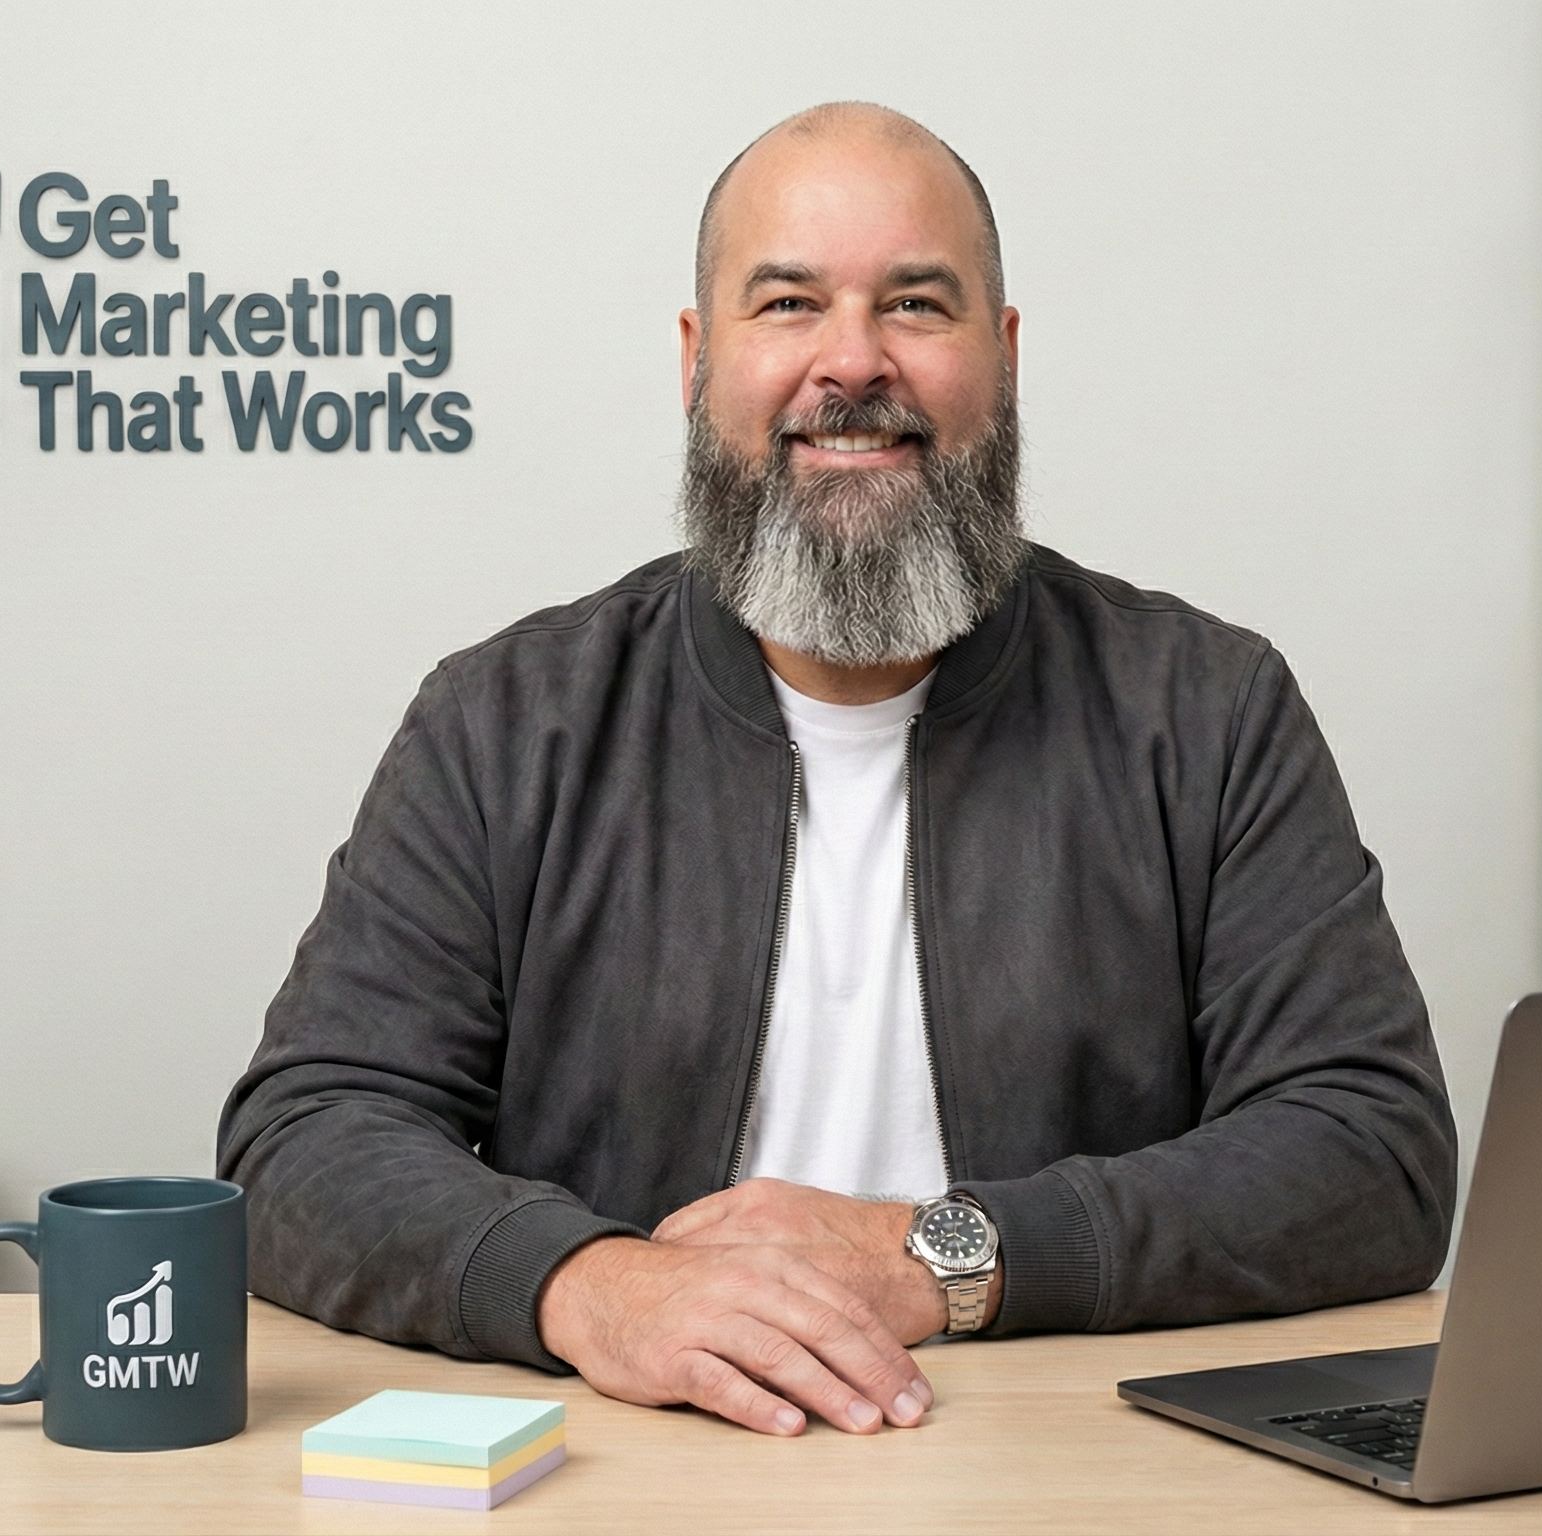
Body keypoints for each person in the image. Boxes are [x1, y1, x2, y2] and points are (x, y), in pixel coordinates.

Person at [215, 100, 1456, 1440]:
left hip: (1071, 1470)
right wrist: (589, 1285)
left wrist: (952, 1255)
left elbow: (1370, 1151)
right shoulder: (505, 722)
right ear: (698, 360)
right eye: (789, 303)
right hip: (632, 1464)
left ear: (1004, 354)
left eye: (917, 304)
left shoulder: (1207, 711)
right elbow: (309, 1132)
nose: (852, 364)